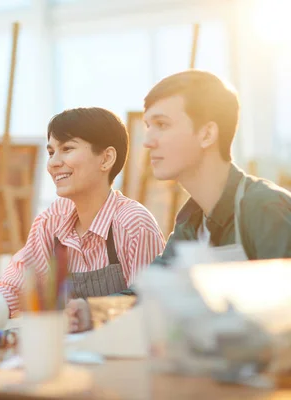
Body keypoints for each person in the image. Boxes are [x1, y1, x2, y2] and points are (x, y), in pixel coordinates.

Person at [67, 70, 291, 333]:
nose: (148, 142)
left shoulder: (264, 209)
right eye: (148, 127)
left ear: (207, 134)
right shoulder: (191, 220)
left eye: (162, 125)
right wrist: (90, 312)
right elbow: (150, 296)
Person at [0, 107, 165, 317]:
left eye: (67, 149)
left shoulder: (133, 223)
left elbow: (148, 306)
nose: (53, 163)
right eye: (51, 152)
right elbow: (12, 291)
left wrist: (93, 314)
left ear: (106, 159)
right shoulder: (51, 221)